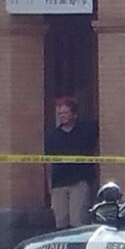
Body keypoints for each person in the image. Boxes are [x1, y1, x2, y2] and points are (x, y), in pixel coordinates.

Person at [45, 98, 99, 229]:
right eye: (60, 114)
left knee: (78, 220)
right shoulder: (53, 136)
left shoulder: (85, 131)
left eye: (65, 113)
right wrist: (49, 185)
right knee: (61, 221)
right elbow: (48, 161)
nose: (62, 116)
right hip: (59, 183)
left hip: (79, 181)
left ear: (74, 114)